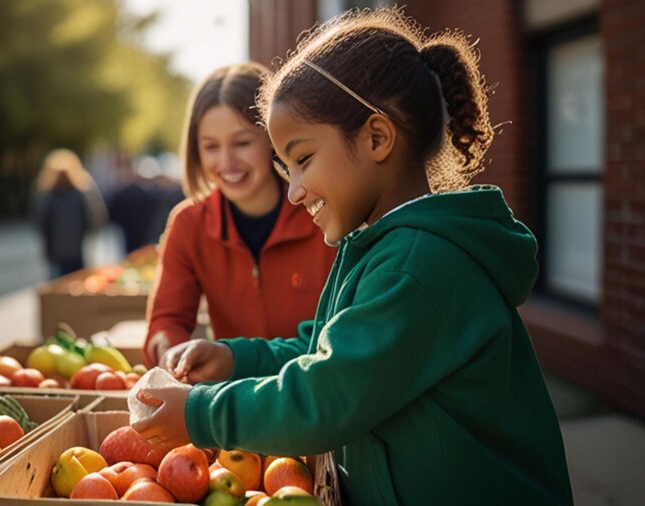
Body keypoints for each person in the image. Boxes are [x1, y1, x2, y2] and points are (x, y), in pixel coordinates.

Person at [132, 9, 573, 505]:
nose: (294, 191)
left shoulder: (419, 264)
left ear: (377, 138)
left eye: (303, 160)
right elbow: (326, 348)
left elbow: (326, 397)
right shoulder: (381, 246)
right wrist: (236, 358)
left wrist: (199, 414)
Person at [142, 62, 337, 367]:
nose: (226, 161)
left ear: (274, 141)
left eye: (242, 143)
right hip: (232, 399)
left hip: (317, 394)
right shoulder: (188, 224)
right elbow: (168, 318)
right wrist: (168, 346)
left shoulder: (325, 215)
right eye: (210, 147)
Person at [32, 148, 107, 278]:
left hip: (58, 251)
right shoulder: (81, 193)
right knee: (76, 282)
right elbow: (95, 218)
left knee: (58, 285)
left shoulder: (48, 196)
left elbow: (40, 223)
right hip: (76, 249)